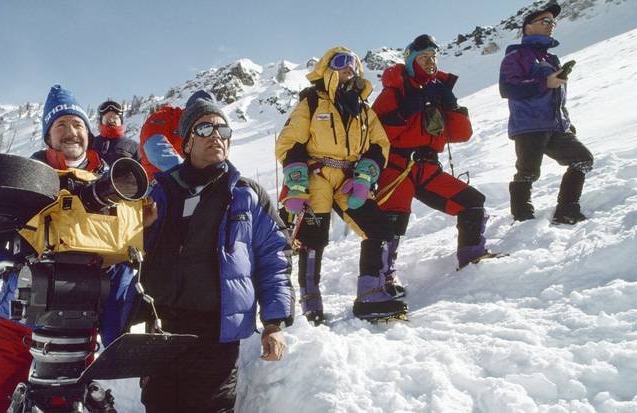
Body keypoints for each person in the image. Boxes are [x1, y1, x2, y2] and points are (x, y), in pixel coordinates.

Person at [0, 85, 134, 413]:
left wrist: (115, 337)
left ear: (89, 133)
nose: (72, 132)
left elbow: (123, 258)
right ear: (47, 136)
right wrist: (13, 267)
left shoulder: (112, 185)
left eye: (79, 125)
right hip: (17, 325)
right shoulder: (20, 178)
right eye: (61, 125)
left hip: (80, 327)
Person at [140, 91, 293, 412]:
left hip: (216, 334)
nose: (216, 137)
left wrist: (275, 322)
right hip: (163, 329)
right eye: (205, 129)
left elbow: (274, 257)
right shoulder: (161, 191)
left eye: (223, 131)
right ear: (186, 143)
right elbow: (132, 256)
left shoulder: (247, 195)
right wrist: (144, 228)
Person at [275, 46, 405, 324]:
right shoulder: (312, 102)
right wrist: (296, 184)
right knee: (313, 240)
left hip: (349, 180)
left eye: (353, 64)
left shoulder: (363, 109)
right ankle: (311, 306)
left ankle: (370, 293)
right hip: (316, 176)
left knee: (379, 228)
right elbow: (289, 142)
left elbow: (380, 145)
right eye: (341, 63)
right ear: (327, 68)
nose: (349, 68)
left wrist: (365, 176)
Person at [372, 34, 489, 274]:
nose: (430, 61)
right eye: (423, 57)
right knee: (391, 224)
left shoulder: (438, 92)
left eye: (433, 56)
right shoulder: (393, 93)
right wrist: (404, 112)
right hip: (397, 168)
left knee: (472, 202)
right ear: (411, 60)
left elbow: (460, 135)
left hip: (428, 169)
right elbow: (375, 136)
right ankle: (381, 281)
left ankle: (472, 261)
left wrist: (454, 107)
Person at [500, 3, 593, 224]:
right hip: (530, 126)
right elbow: (508, 89)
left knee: (583, 159)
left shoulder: (551, 59)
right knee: (528, 172)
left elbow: (556, 94)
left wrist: (566, 122)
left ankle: (567, 210)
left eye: (553, 22)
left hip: (556, 125)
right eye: (545, 21)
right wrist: (545, 82)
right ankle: (522, 217)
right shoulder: (516, 56)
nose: (551, 25)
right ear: (528, 28)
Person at [138, 90, 216, 180]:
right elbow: (155, 149)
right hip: (156, 182)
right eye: (197, 112)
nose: (201, 118)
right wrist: (190, 176)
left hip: (187, 184)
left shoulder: (205, 131)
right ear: (188, 111)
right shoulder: (163, 117)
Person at [90, 99, 142, 166]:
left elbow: (141, 172)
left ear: (121, 121)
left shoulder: (133, 146)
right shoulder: (92, 142)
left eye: (115, 118)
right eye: (107, 118)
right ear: (101, 121)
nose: (111, 120)